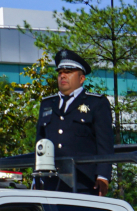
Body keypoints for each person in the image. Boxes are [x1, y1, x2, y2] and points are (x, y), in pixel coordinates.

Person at [36, 48, 114, 195]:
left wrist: (103, 176)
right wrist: (37, 176)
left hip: (84, 182)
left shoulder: (96, 103)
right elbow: (40, 141)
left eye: (69, 72)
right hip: (51, 183)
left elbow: (105, 144)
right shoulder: (47, 104)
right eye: (60, 73)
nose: (63, 76)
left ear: (81, 78)